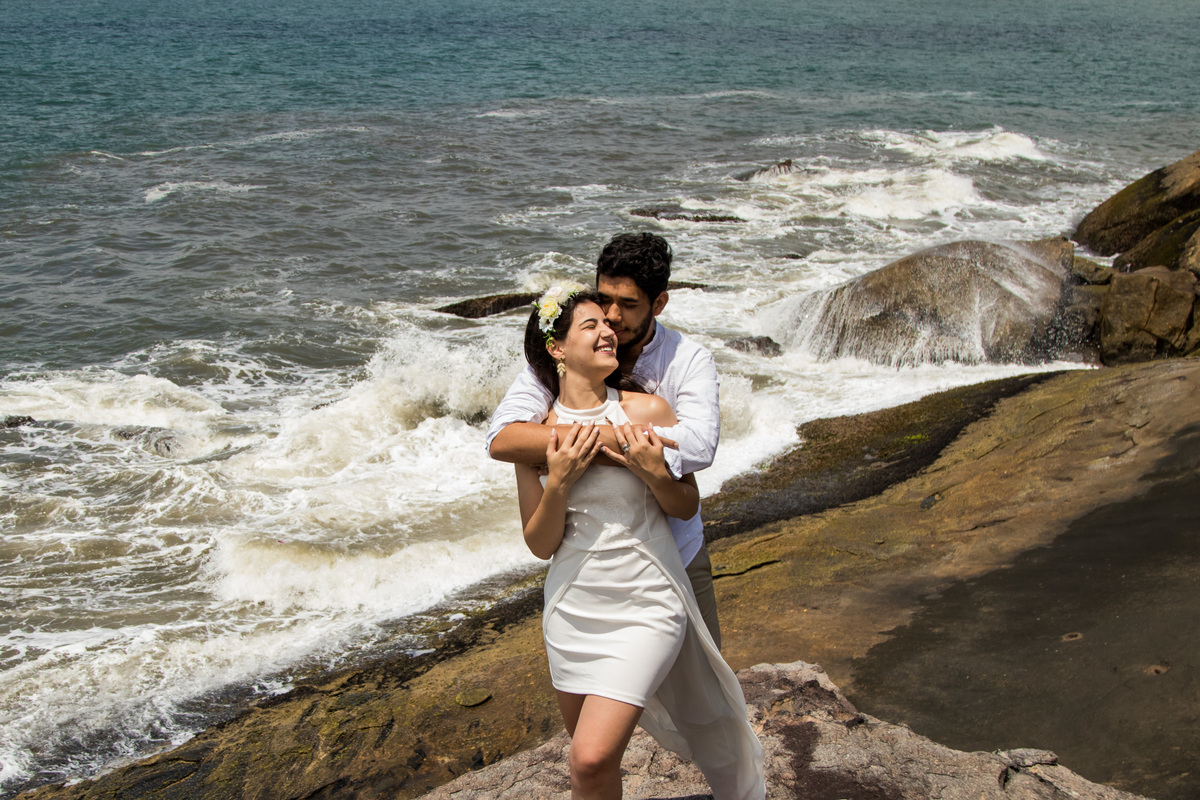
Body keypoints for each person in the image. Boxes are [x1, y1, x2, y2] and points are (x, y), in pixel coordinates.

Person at [514, 287, 764, 800]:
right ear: (557, 349)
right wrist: (558, 484)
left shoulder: (649, 410)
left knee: (589, 757)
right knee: (590, 764)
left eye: (608, 324)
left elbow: (684, 506)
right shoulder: (534, 434)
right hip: (572, 605)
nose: (608, 331)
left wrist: (656, 474)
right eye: (590, 326)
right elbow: (540, 544)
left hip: (648, 597)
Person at [487, 233, 724, 647]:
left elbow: (698, 446)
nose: (612, 317)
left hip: (676, 555)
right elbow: (503, 439)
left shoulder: (688, 360)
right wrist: (622, 447)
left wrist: (575, 448)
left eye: (629, 305)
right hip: (596, 574)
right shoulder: (568, 354)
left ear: (659, 303)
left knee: (701, 697)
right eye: (605, 299)